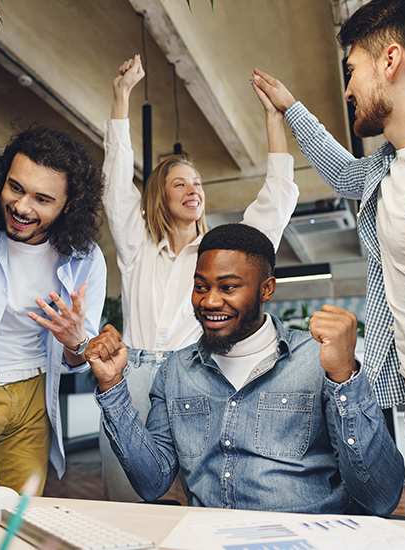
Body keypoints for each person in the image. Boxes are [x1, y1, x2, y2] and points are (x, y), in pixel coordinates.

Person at [86, 223, 405, 514]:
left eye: (228, 288)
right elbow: (151, 482)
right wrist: (112, 386)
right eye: (201, 286)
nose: (209, 301)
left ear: (266, 289)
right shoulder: (175, 371)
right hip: (208, 538)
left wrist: (345, 378)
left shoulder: (316, 360)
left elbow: (381, 496)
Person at [100, 54, 299, 501]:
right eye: (180, 183)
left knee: (206, 495)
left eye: (198, 183)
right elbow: (114, 179)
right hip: (132, 376)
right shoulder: (136, 244)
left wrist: (273, 118)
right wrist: (121, 95)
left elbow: (277, 200)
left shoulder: (220, 254)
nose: (194, 190)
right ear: (159, 195)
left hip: (195, 376)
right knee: (125, 494)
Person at [252, 0, 405, 474]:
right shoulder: (389, 166)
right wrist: (290, 108)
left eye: (352, 71)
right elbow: (346, 173)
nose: (347, 88)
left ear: (390, 61)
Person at [0, 124, 106, 495]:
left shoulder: (86, 259)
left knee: (20, 518)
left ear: (68, 206)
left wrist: (77, 341)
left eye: (42, 199)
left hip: (32, 399)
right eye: (16, 187)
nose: (22, 207)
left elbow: (78, 358)